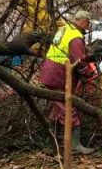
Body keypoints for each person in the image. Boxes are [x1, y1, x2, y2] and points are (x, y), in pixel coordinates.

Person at [39, 10, 94, 155]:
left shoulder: (65, 29)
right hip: (59, 74)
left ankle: (52, 142)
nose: (88, 26)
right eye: (88, 23)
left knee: (58, 108)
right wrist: (88, 73)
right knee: (68, 108)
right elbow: (78, 61)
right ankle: (74, 145)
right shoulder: (75, 37)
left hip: (50, 71)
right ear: (82, 21)